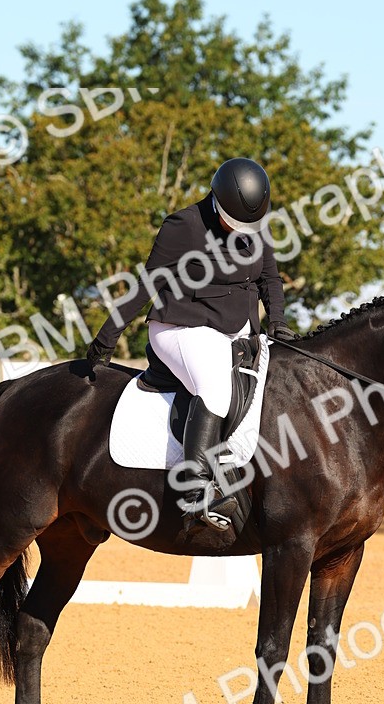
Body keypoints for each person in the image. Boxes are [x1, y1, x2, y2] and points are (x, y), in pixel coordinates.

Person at [85, 157, 296, 530]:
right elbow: (149, 283)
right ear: (217, 200)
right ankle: (196, 488)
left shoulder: (256, 226)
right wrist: (108, 335)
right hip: (180, 327)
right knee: (215, 388)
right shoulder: (183, 226)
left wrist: (277, 321)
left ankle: (238, 470)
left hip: (236, 331)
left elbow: (270, 280)